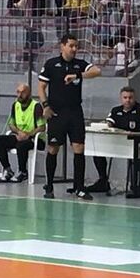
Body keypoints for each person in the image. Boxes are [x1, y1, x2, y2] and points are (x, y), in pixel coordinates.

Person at [38, 34, 103, 200]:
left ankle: (79, 187)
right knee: (53, 148)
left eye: (76, 46)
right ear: (63, 46)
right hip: (57, 112)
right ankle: (49, 185)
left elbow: (97, 71)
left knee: (79, 148)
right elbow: (41, 87)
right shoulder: (52, 64)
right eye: (71, 46)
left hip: (75, 112)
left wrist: (78, 76)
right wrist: (45, 106)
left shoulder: (79, 65)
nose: (74, 49)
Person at [88, 86, 140, 197]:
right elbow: (108, 123)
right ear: (121, 98)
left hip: (137, 144)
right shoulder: (116, 111)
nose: (128, 100)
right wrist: (103, 126)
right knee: (97, 150)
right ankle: (103, 181)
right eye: (125, 97)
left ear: (134, 98)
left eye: (130, 97)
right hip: (118, 144)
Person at [0, 83, 45, 183]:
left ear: (29, 93)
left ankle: (23, 172)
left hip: (35, 139)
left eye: (23, 92)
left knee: (22, 145)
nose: (20, 95)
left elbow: (42, 127)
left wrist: (28, 135)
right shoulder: (15, 105)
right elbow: (11, 125)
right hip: (19, 135)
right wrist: (19, 132)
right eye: (18, 92)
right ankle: (8, 170)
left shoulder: (36, 106)